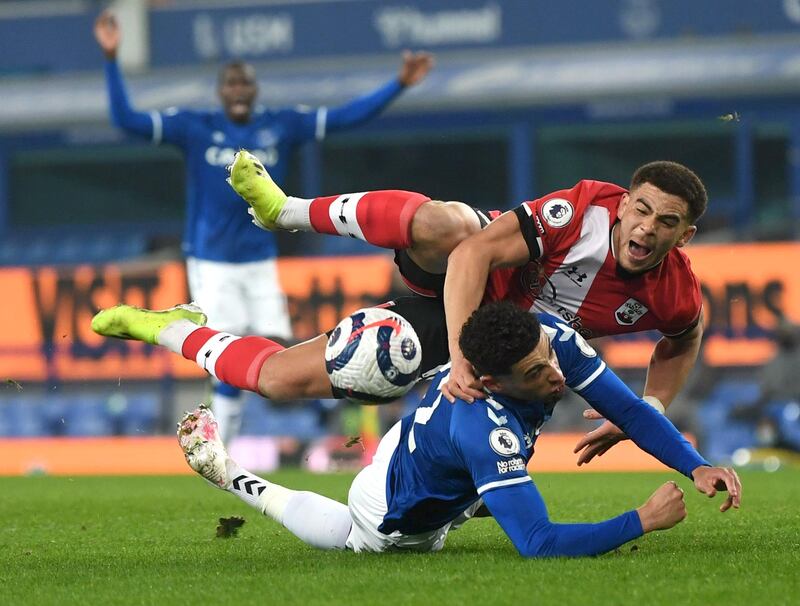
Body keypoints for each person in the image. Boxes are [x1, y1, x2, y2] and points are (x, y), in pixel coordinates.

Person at [93, 10, 434, 443]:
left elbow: (346, 117)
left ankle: (252, 437)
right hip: (212, 262)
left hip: (260, 261)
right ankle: (219, 449)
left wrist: (399, 84)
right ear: (221, 92)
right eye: (231, 83)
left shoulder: (280, 125)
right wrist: (111, 59)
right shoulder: (195, 128)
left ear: (254, 90)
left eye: (245, 83)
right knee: (227, 350)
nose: (238, 90)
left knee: (277, 354)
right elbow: (127, 121)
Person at [176, 302, 740, 556]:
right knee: (357, 537)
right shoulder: (483, 425)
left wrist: (697, 463)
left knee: (496, 477)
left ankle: (473, 494)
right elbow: (539, 545)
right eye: (535, 375)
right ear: (491, 381)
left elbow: (635, 410)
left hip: (417, 440)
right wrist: (641, 520)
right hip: (394, 513)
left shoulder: (549, 339)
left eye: (549, 357)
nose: (556, 377)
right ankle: (227, 475)